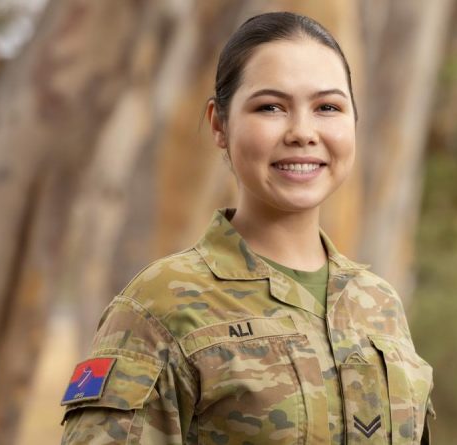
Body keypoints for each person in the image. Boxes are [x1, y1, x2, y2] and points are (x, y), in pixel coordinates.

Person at [60, 11, 434, 445]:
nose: (302, 132)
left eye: (327, 107)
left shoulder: (378, 304)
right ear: (220, 123)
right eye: (270, 107)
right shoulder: (159, 306)